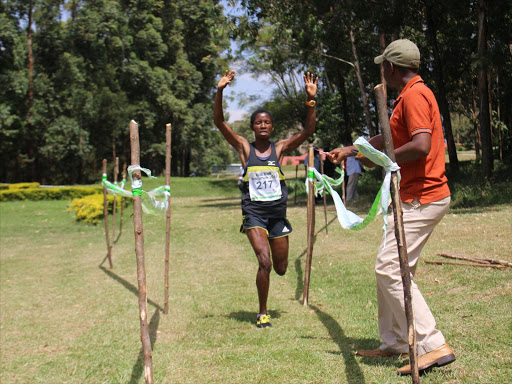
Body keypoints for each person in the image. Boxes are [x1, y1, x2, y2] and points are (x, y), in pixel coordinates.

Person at [328, 39, 455, 375]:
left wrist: (383, 160)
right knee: (394, 268)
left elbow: (421, 145)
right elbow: (387, 137)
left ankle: (433, 344)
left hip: (423, 196)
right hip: (413, 194)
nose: (380, 69)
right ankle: (396, 342)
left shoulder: (415, 95)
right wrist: (352, 150)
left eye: (382, 64)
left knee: (389, 268)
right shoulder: (406, 96)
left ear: (391, 67)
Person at [214, 69, 318, 328]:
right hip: (254, 214)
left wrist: (311, 100)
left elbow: (307, 131)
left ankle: (266, 299)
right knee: (265, 261)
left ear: (272, 127)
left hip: (277, 215)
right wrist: (219, 91)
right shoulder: (244, 147)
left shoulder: (279, 148)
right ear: (252, 127)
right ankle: (262, 312)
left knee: (281, 267)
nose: (262, 126)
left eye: (266, 122)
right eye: (258, 122)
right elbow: (219, 123)